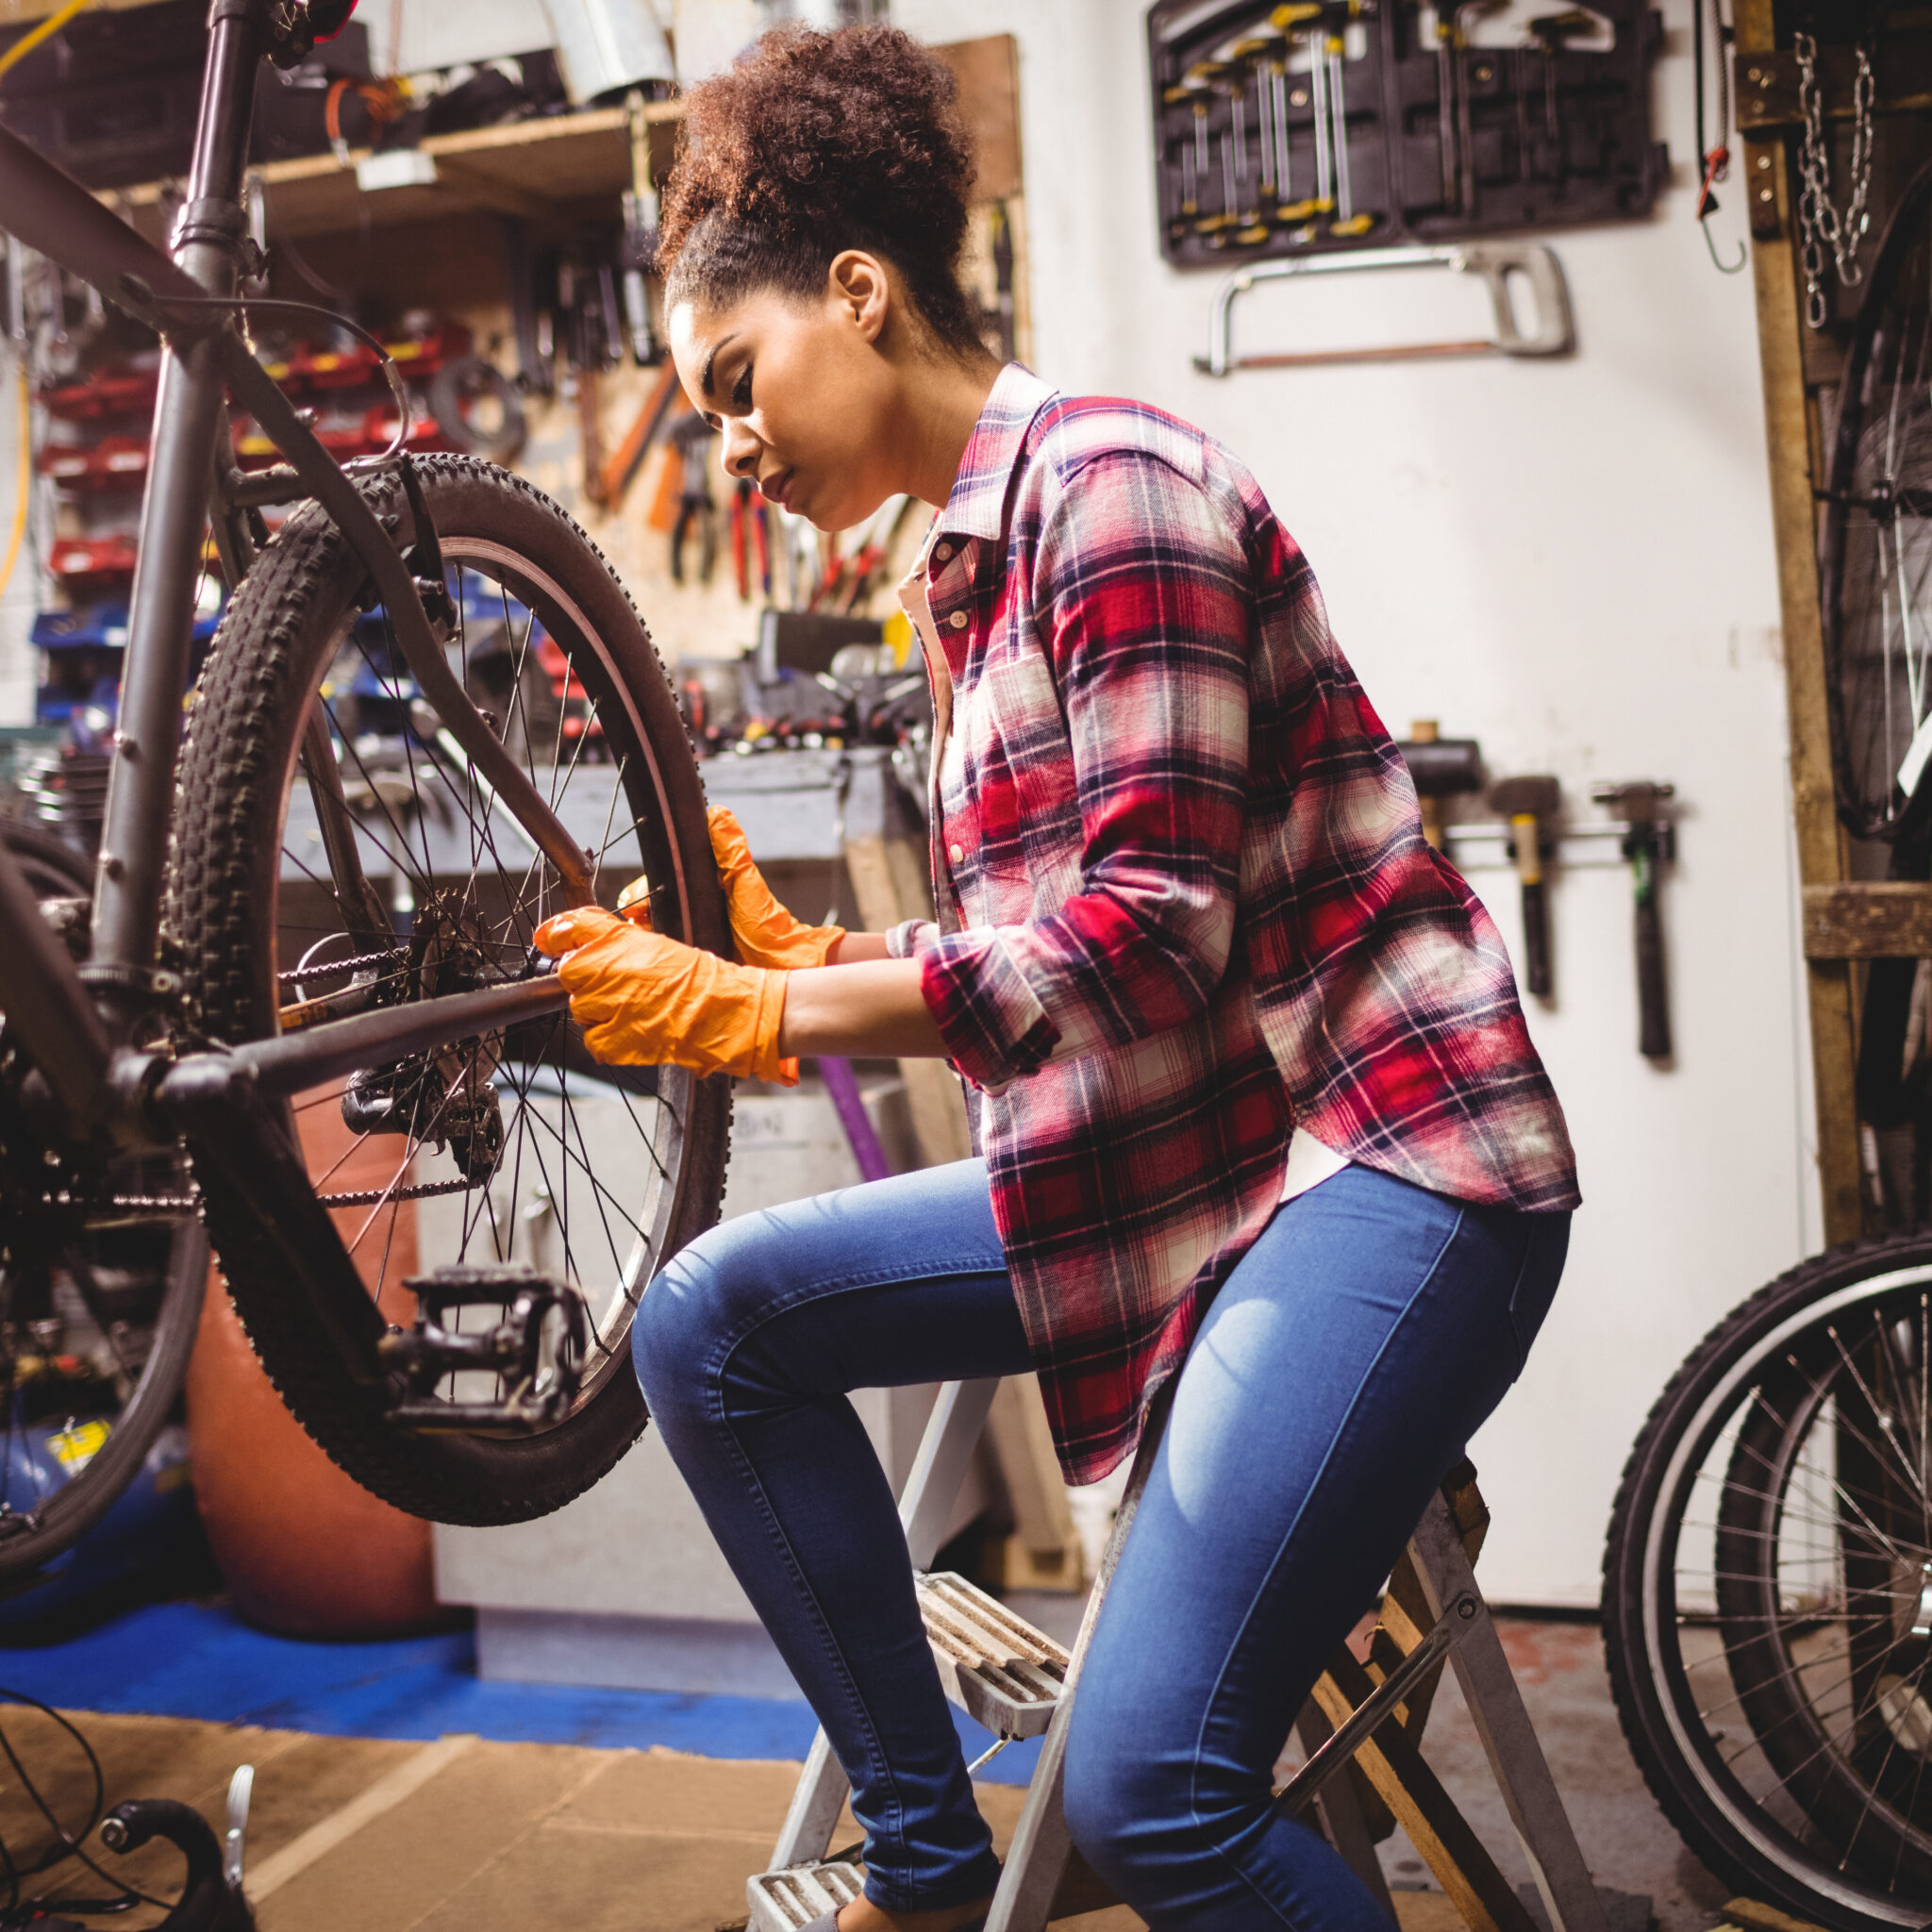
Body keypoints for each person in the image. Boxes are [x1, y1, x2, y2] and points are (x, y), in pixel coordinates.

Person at [532, 23, 1579, 1932]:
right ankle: (931, 1867)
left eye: (737, 380)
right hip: (1200, 1165)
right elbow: (1061, 958)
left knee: (1156, 1791)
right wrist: (827, 961)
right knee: (709, 1321)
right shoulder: (965, 569)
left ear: (857, 294)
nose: (735, 447)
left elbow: (1142, 931)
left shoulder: (1108, 486)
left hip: (1382, 1167)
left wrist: (767, 1009)